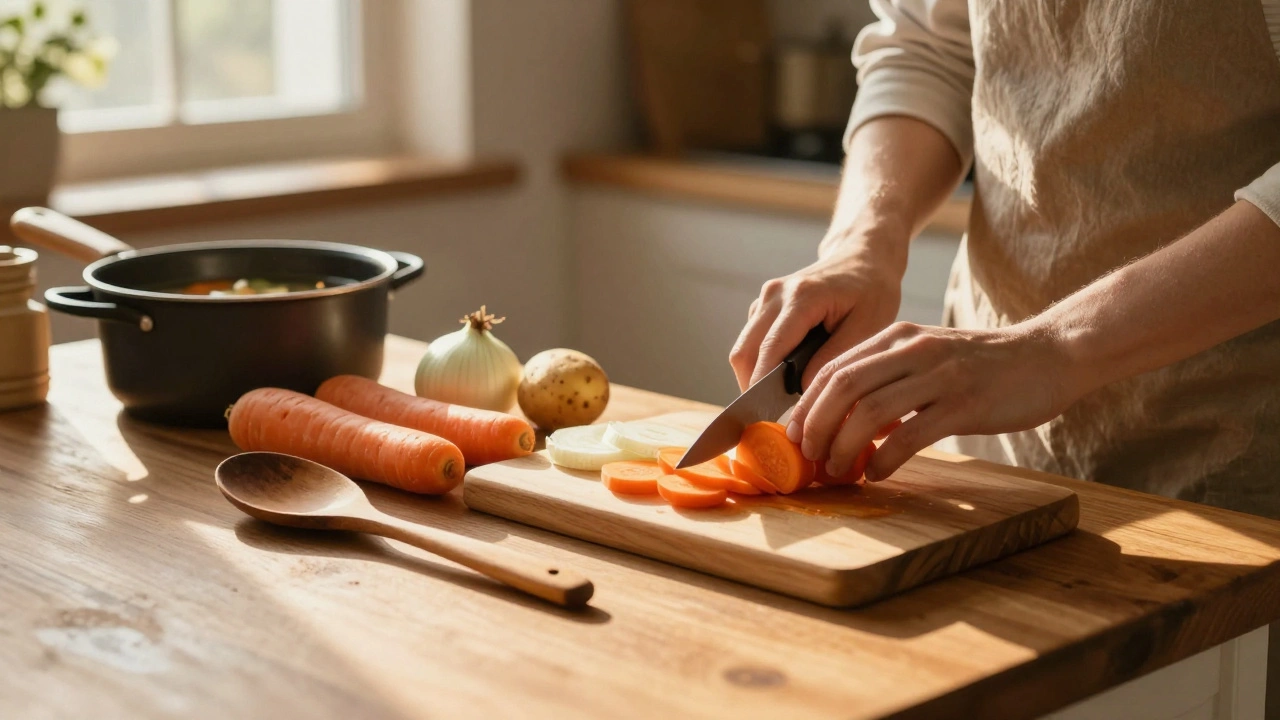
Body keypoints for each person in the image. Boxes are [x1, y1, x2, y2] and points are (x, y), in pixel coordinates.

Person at [729, 1, 1280, 714]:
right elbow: (929, 47)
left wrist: (1057, 345)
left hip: (1240, 477)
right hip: (991, 462)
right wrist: (864, 241)